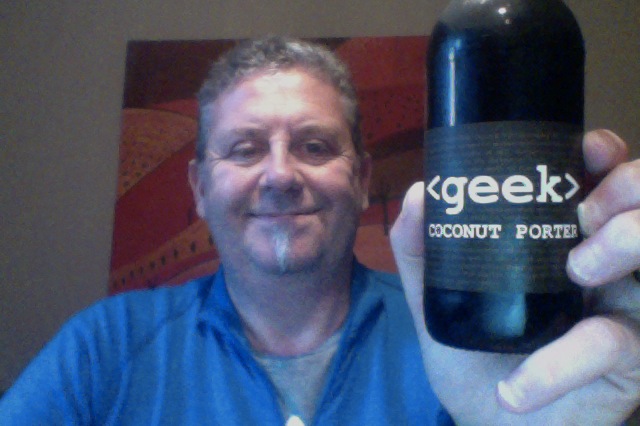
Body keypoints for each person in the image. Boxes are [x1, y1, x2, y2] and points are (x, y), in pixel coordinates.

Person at [1, 36, 639, 425]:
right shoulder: (100, 349)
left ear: (361, 179)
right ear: (198, 188)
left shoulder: (469, 345)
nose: (280, 175)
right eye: (245, 149)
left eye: (314, 146)